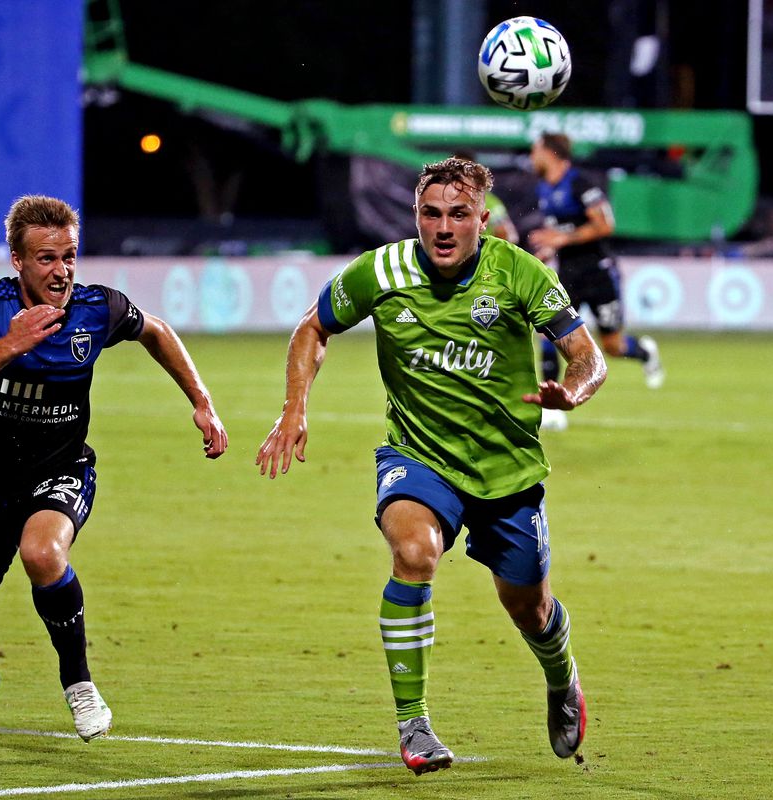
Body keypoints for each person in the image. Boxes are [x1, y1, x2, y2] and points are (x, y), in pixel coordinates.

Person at [256, 158, 606, 774]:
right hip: (419, 457)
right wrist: (294, 410)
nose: (444, 227)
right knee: (413, 553)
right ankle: (414, 724)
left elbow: (586, 355)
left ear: (483, 219)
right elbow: (313, 328)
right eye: (431, 213)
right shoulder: (381, 271)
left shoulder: (518, 273)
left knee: (530, 608)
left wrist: (572, 390)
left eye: (459, 214)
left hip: (506, 469)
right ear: (416, 216)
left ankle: (561, 677)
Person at [0, 195, 228, 742]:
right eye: (46, 258)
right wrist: (10, 345)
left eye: (69, 256)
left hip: (60, 470)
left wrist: (201, 400)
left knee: (43, 552)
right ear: (17, 260)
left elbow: (155, 330)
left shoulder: (96, 309)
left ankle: (78, 684)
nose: (61, 271)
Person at [527, 133, 664, 404]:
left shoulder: (579, 183)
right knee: (547, 332)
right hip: (567, 275)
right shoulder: (544, 188)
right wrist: (547, 249)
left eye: (535, 151)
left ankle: (645, 352)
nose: (531, 157)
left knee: (613, 346)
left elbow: (605, 224)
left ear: (550, 153)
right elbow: (559, 233)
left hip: (598, 273)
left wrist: (562, 239)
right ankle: (553, 407)